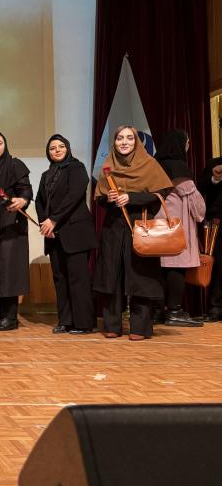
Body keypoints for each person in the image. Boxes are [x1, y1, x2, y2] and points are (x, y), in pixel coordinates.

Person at [93, 125, 173, 340]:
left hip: (140, 225)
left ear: (137, 142)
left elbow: (162, 192)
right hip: (113, 228)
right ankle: (112, 324)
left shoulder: (149, 164)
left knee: (140, 276)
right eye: (120, 138)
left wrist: (132, 197)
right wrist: (108, 199)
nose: (124, 142)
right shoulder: (108, 166)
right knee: (112, 275)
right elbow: (100, 198)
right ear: (114, 142)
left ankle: (140, 327)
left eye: (129, 138)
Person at [34, 134, 98, 335]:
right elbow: (39, 201)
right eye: (52, 148)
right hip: (54, 235)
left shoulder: (77, 168)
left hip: (76, 232)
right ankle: (66, 320)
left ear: (68, 148)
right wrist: (46, 223)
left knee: (78, 279)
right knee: (60, 279)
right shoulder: (46, 174)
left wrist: (54, 219)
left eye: (61, 146)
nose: (57, 150)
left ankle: (84, 323)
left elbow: (74, 196)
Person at [0, 130, 33, 331]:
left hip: (10, 224)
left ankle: (10, 317)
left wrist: (23, 200)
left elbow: (26, 190)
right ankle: (1, 315)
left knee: (9, 271)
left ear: (5, 145)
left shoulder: (14, 165)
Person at [154, 130, 204, 327]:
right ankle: (174, 311)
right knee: (176, 266)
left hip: (158, 224)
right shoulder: (178, 167)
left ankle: (157, 310)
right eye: (187, 142)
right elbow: (196, 206)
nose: (188, 146)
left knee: (160, 268)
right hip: (175, 225)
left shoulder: (155, 164)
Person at [199, 153, 222, 320]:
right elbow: (201, 188)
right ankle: (216, 308)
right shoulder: (214, 164)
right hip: (218, 223)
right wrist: (216, 178)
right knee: (219, 266)